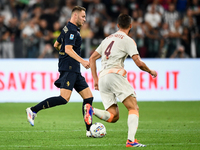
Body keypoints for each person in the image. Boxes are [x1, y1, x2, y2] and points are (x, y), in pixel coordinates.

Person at [89, 14, 157, 147]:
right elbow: (138, 62)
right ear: (131, 26)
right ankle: (131, 141)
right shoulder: (128, 40)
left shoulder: (107, 39)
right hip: (115, 75)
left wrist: (95, 80)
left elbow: (91, 59)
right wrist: (150, 71)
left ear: (118, 25)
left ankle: (91, 110)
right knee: (133, 108)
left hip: (103, 77)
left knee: (113, 116)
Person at [26, 6, 94, 137]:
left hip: (72, 69)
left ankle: (89, 130)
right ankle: (33, 110)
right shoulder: (72, 31)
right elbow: (68, 49)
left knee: (88, 97)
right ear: (75, 16)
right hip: (69, 68)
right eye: (83, 16)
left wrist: (64, 57)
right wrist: (82, 61)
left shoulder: (66, 28)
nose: (85, 19)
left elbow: (56, 45)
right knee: (64, 98)